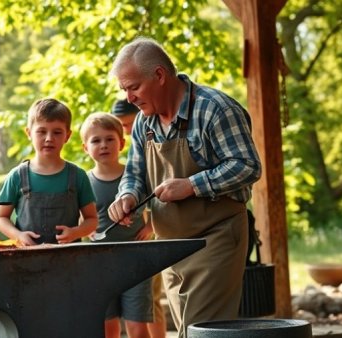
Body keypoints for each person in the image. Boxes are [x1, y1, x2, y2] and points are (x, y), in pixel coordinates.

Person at [107, 37, 262, 338]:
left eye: (133, 87)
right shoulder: (143, 122)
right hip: (170, 246)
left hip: (214, 238)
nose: (128, 97)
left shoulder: (215, 109)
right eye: (124, 89)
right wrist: (127, 195)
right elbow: (136, 174)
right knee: (188, 331)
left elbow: (248, 165)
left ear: (160, 76)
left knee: (200, 332)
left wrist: (192, 185)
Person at [80, 112, 153, 338]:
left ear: (121, 143)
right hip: (99, 264)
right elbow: (81, 219)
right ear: (85, 147)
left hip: (137, 262)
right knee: (107, 327)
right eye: (96, 140)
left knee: (137, 327)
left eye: (109, 139)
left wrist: (150, 228)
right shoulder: (84, 181)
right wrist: (86, 230)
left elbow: (157, 205)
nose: (103, 145)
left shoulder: (136, 177)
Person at [0, 98, 98, 246]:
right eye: (41, 132)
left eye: (57, 132)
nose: (49, 138)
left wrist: (75, 232)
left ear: (67, 136)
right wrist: (18, 235)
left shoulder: (78, 176)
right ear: (29, 133)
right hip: (27, 259)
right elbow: (1, 218)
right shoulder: (17, 176)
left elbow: (92, 220)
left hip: (70, 260)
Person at [112, 98, 168, 338]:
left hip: (150, 237)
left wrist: (150, 226)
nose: (127, 129)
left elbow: (158, 196)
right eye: (121, 125)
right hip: (126, 244)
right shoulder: (125, 170)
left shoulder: (153, 146)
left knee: (152, 300)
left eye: (128, 123)